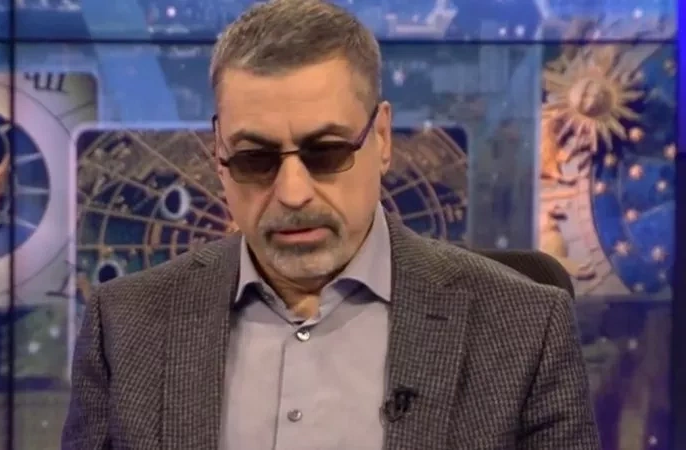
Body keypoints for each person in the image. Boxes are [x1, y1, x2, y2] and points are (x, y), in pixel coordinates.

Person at [61, 0, 601, 448]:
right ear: (219, 155)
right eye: (255, 158)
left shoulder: (525, 328)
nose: (292, 192)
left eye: (326, 152)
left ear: (382, 139)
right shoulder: (125, 326)